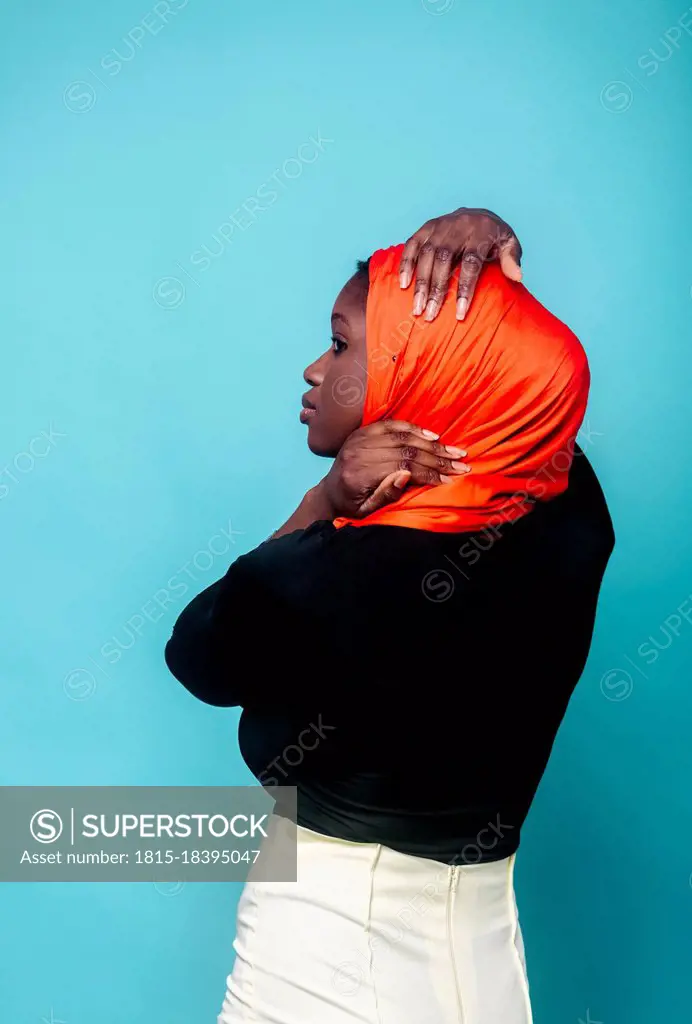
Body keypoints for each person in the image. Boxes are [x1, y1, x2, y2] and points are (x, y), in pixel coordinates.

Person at [164, 207, 615, 1024]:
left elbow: (195, 654)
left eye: (339, 345)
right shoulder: (573, 521)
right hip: (481, 956)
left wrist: (323, 499)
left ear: (421, 368)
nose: (312, 369)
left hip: (329, 955)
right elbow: (526, 402)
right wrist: (499, 280)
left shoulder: (343, 571)